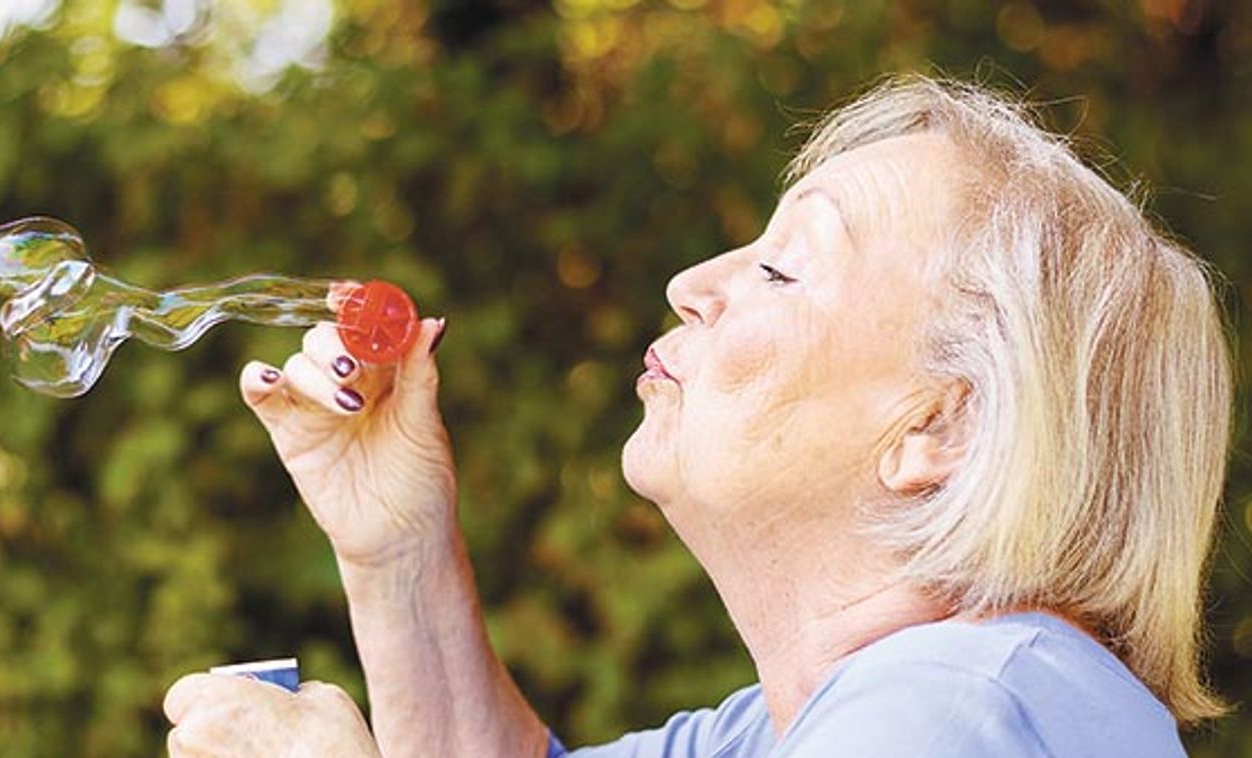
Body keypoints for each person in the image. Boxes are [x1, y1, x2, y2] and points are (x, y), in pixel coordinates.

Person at [162, 75, 1232, 757]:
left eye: (780, 265)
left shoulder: (960, 712)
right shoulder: (781, 732)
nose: (691, 280)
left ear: (937, 428)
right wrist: (399, 547)